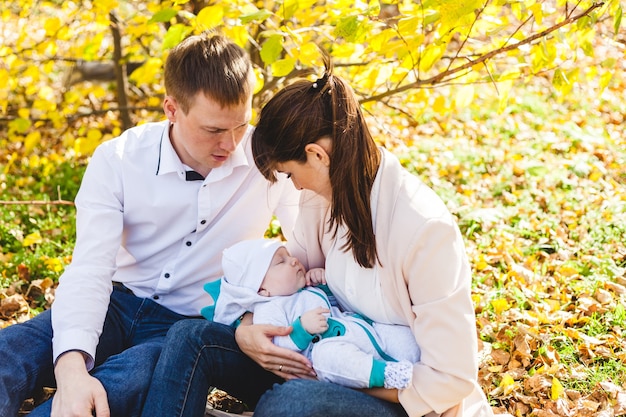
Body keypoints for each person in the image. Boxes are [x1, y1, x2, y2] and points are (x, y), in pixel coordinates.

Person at [0, 33, 300, 417]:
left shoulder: (270, 162)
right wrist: (72, 367)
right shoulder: (119, 159)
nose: (231, 143)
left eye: (240, 126)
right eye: (213, 130)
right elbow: (91, 268)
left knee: (121, 385)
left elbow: (308, 247)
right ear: (172, 109)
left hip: (182, 328)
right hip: (113, 302)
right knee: (10, 354)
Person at [244, 54, 496, 417]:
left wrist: (346, 376)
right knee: (195, 340)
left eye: (288, 173)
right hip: (331, 358)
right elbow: (288, 278)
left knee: (288, 403)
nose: (293, 185)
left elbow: (451, 379)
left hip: (406, 401)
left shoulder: (423, 229)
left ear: (316, 155)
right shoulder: (320, 200)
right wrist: (247, 330)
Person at [203, 238, 420, 391]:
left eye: (289, 256)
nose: (294, 260)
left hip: (363, 332)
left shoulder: (306, 290)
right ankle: (388, 375)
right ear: (262, 290)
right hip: (324, 353)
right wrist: (301, 330)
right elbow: (277, 345)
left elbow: (336, 305)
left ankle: (422, 360)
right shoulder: (269, 309)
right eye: (281, 262)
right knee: (330, 358)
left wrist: (325, 284)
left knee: (400, 335)